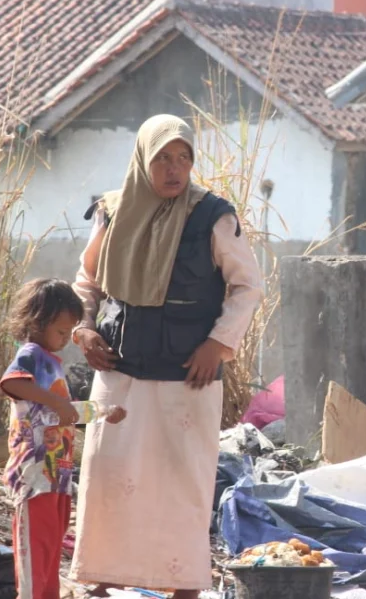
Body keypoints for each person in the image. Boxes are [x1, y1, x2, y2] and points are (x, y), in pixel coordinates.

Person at [70, 114, 263, 598]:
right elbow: (87, 281)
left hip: (187, 376)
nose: (174, 169)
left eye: (183, 158)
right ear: (142, 160)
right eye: (162, 158)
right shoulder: (113, 212)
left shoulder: (212, 217)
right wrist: (84, 329)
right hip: (120, 373)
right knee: (109, 474)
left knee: (183, 481)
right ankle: (102, 576)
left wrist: (219, 343)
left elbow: (247, 286)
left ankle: (182, 585)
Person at [0, 278, 128, 599]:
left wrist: (102, 411)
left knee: (51, 554)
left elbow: (66, 413)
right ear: (37, 322)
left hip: (56, 478)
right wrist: (56, 402)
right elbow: (12, 383)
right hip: (33, 477)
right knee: (34, 560)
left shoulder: (53, 365)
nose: (63, 341)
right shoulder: (31, 354)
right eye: (60, 332)